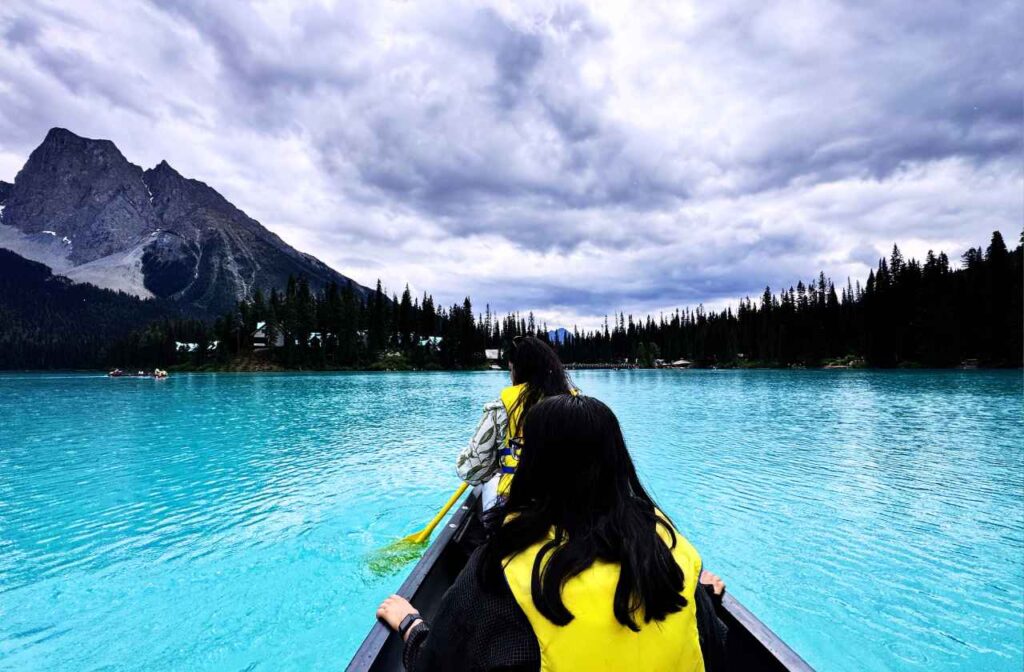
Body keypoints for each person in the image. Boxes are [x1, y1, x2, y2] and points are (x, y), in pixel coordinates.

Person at [378, 395, 728, 671]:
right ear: (618, 461)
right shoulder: (672, 550)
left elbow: (437, 666)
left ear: (534, 466)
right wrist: (705, 597)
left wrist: (410, 625)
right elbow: (709, 647)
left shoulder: (502, 572)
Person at [455, 335, 575, 510]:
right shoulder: (576, 405)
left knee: (492, 484)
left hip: (518, 506)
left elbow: (471, 471)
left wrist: (498, 464)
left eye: (510, 370)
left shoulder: (500, 409)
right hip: (569, 505)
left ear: (517, 370)